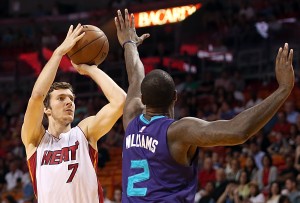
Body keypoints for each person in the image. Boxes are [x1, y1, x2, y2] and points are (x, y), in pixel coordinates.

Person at [115, 8, 294, 202]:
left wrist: (129, 43)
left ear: (143, 99)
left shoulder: (130, 118)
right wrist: (283, 89)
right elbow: (239, 131)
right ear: (175, 96)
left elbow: (135, 75)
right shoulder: (177, 132)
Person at [21, 24, 126, 203]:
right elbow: (37, 96)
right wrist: (59, 53)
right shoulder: (35, 141)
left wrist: (89, 69)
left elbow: (121, 101)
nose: (69, 102)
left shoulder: (84, 133)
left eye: (71, 98)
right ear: (47, 109)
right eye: (61, 98)